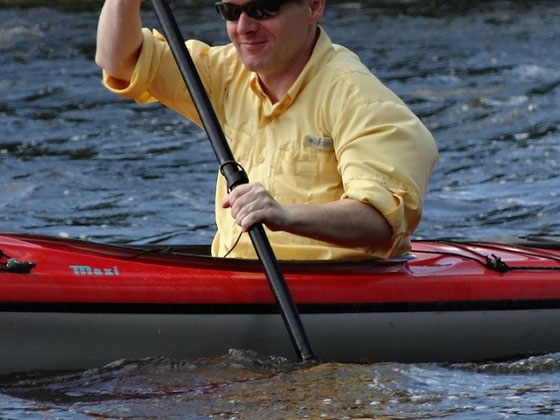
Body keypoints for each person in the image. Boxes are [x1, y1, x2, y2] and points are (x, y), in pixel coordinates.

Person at [95, 0, 438, 260]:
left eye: (263, 9)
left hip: (333, 290)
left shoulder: (361, 99)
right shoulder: (224, 74)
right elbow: (118, 60)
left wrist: (283, 214)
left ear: (314, 5)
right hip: (241, 279)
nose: (244, 26)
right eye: (230, 11)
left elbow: (380, 221)